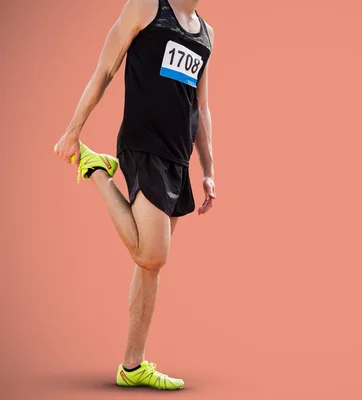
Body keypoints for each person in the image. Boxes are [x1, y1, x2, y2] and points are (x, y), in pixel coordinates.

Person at [53, 0, 215, 390]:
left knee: (149, 268)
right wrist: (74, 129)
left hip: (177, 157)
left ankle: (132, 366)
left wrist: (209, 169)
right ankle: (94, 168)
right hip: (143, 146)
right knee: (152, 253)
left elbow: (201, 106)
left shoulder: (206, 34)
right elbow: (105, 70)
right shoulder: (146, 7)